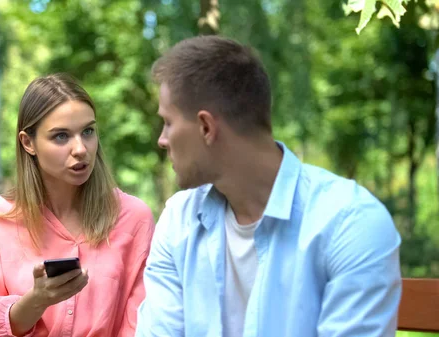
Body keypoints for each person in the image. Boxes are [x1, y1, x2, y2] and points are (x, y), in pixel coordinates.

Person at [135, 36, 402, 337]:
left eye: (168, 122)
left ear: (206, 127)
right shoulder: (178, 221)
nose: (162, 139)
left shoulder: (351, 223)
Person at [0, 73, 155, 337]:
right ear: (28, 142)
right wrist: (36, 300)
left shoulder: (134, 218)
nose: (81, 149)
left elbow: (142, 324)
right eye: (61, 136)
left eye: (88, 131)